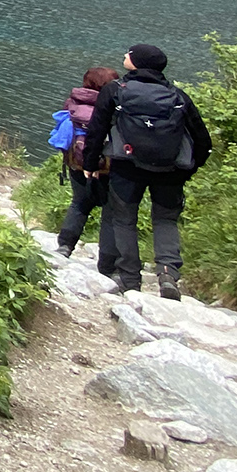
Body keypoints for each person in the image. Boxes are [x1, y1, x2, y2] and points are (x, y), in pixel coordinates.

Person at [79, 43, 212, 299]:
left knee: (124, 219)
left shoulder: (115, 91)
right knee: (165, 219)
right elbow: (203, 142)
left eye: (129, 54)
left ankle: (129, 278)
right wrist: (189, 169)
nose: (125, 56)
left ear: (137, 63)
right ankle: (167, 273)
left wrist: (90, 163)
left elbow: (96, 131)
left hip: (127, 167)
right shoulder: (177, 96)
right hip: (170, 170)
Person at [57, 65, 118, 269]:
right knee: (110, 212)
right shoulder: (117, 106)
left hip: (77, 162)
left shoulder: (73, 103)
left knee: (79, 204)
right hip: (108, 166)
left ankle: (65, 246)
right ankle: (107, 264)